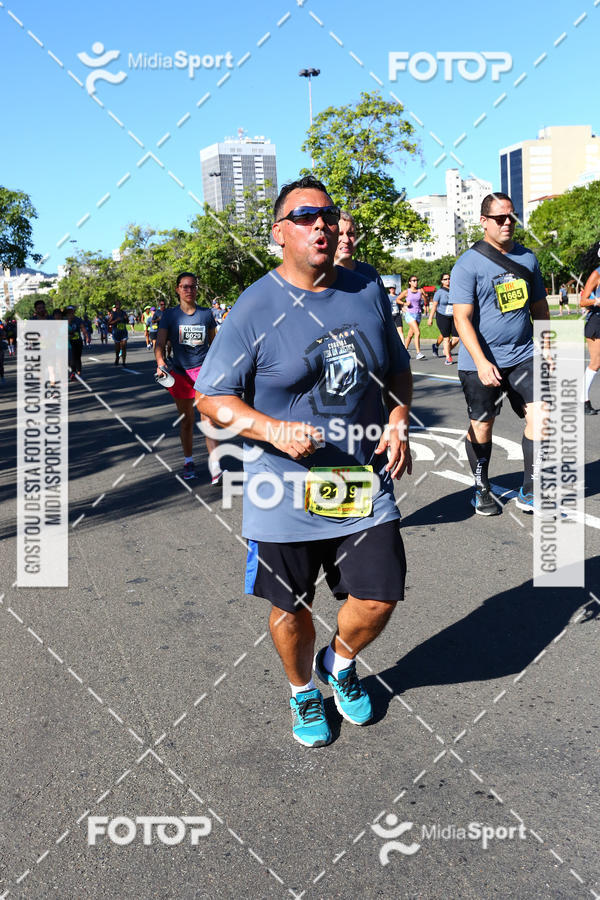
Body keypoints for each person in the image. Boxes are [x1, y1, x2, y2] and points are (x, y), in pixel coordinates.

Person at [195, 175, 412, 749]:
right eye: (305, 216)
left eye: (328, 214)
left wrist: (396, 418)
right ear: (279, 233)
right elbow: (211, 398)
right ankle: (301, 690)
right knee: (290, 606)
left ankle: (338, 663)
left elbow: (396, 368)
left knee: (380, 595)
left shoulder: (366, 289)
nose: (322, 223)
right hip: (281, 488)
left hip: (358, 478)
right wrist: (271, 430)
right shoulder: (255, 305)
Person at [451, 192, 550, 516]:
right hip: (480, 362)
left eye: (512, 217)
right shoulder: (468, 264)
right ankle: (481, 486)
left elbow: (540, 308)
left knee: (542, 417)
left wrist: (547, 347)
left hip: (523, 355)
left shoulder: (528, 259)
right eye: (500, 218)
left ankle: (530, 490)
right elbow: (461, 318)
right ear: (483, 222)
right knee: (483, 426)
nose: (508, 222)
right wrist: (481, 362)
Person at [155, 273, 222, 482]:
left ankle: (215, 467)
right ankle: (188, 461)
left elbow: (215, 345)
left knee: (208, 419)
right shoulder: (170, 316)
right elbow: (160, 344)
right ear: (177, 289)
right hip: (181, 374)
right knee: (187, 421)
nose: (189, 290)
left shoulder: (206, 314)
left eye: (192, 286)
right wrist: (160, 363)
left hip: (203, 372)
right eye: (184, 287)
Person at [334, 211, 385, 285]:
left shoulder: (370, 274)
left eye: (350, 234)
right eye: (339, 234)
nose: (346, 240)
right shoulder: (320, 276)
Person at [580, 260, 600, 415]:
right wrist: (597, 301)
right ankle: (583, 399)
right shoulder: (596, 274)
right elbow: (583, 301)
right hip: (596, 322)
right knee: (596, 362)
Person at [428, 274, 459, 365]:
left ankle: (446, 350)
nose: (448, 280)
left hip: (453, 316)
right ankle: (448, 358)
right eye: (445, 279)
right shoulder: (439, 292)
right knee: (446, 338)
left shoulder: (455, 290)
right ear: (442, 281)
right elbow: (434, 306)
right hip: (442, 316)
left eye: (449, 279)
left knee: (456, 338)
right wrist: (430, 318)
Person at [397, 276, 426, 359]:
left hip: (418, 314)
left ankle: (404, 351)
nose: (416, 282)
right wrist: (405, 304)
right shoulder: (407, 292)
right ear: (409, 282)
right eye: (413, 280)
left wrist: (424, 296)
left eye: (416, 280)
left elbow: (425, 302)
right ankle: (418, 353)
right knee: (417, 332)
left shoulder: (420, 291)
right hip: (409, 314)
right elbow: (398, 299)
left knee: (410, 334)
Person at [65, 306, 89, 379]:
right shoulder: (64, 320)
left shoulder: (78, 320)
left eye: (71, 311)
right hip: (69, 342)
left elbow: (83, 328)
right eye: (68, 311)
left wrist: (87, 337)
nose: (70, 313)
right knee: (71, 358)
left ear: (74, 311)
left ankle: (78, 372)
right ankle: (73, 372)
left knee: (77, 358)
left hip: (78, 341)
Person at [108, 300, 129, 365]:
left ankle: (123, 362)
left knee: (124, 347)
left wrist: (126, 319)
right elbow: (109, 322)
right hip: (116, 333)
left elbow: (127, 322)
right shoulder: (113, 313)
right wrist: (116, 320)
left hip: (123, 332)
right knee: (117, 348)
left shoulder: (124, 313)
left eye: (119, 304)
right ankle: (117, 358)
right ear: (115, 306)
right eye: (117, 305)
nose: (118, 306)